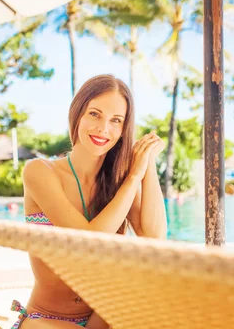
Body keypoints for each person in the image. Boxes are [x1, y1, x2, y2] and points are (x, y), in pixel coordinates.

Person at [11, 74, 167, 328]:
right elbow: (87, 240)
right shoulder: (40, 172)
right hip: (45, 320)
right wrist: (134, 175)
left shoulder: (118, 183)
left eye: (115, 120)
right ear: (78, 114)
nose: (103, 128)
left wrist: (147, 163)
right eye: (95, 114)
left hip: (102, 318)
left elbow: (154, 238)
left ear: (123, 129)